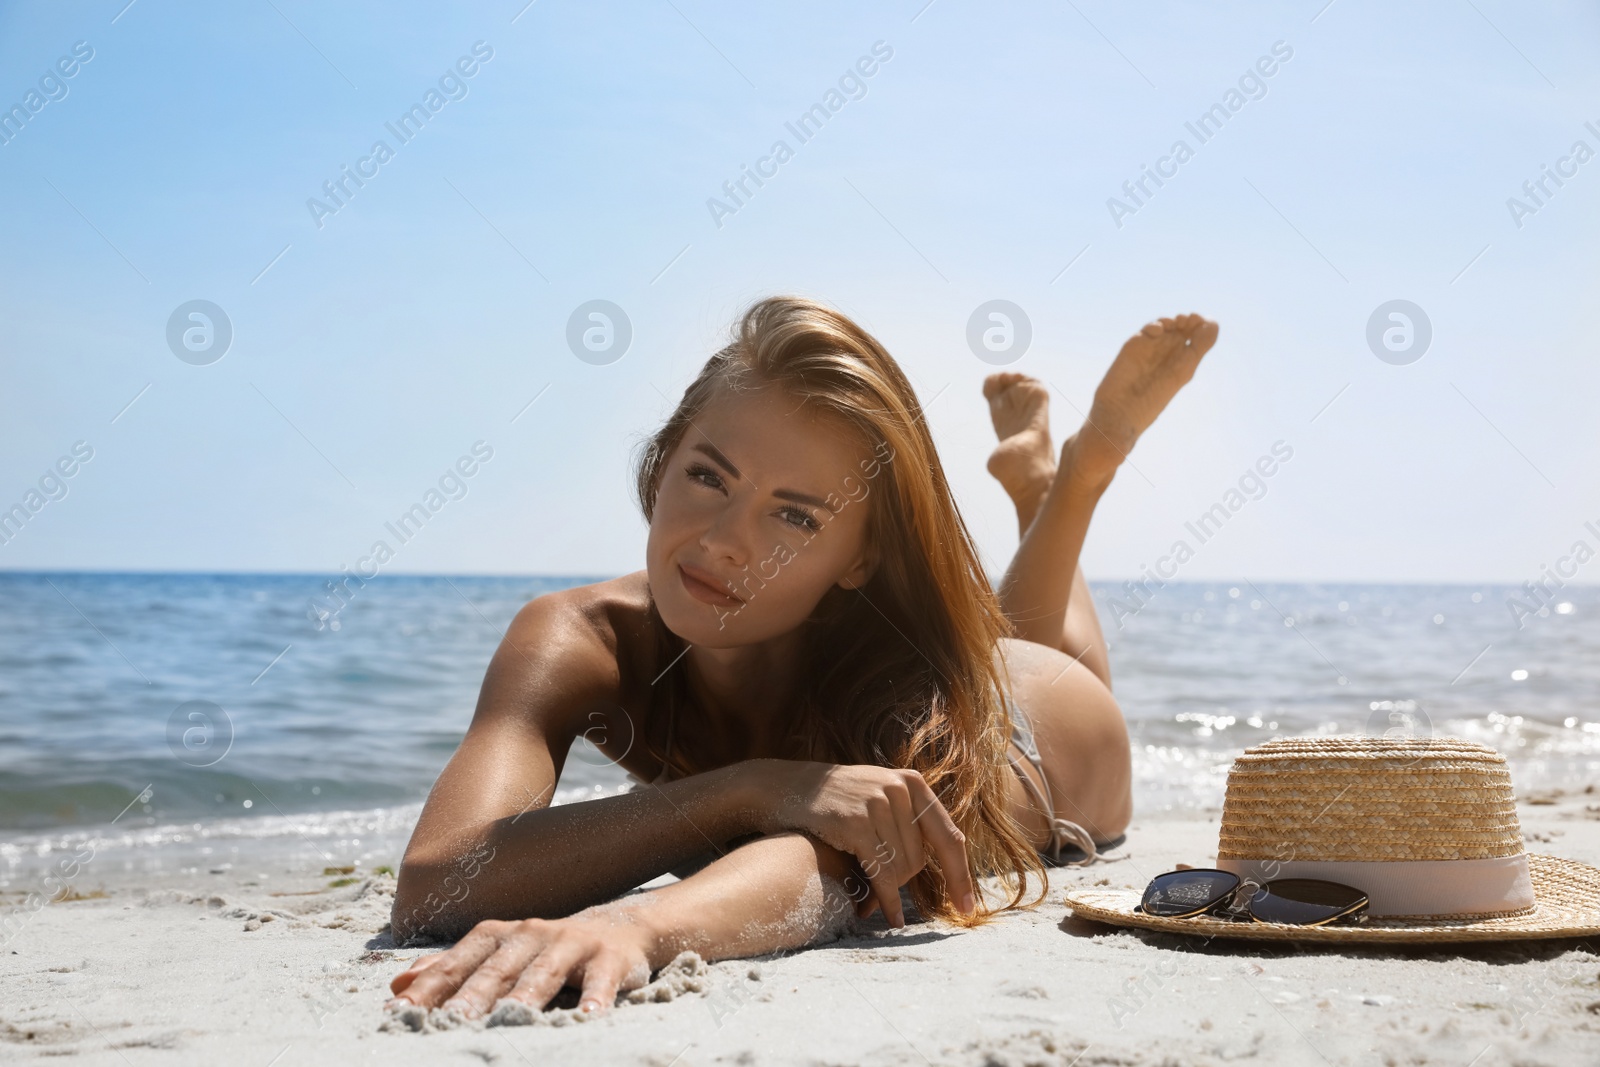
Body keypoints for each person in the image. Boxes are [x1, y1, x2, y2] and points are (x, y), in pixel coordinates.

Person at [386, 296, 1219, 1018]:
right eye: (710, 476)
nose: (720, 543)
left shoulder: (910, 704)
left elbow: (841, 862)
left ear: (859, 559)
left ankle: (1069, 480)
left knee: (1042, 651)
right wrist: (757, 787)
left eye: (796, 518)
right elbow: (435, 880)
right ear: (665, 454)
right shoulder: (578, 636)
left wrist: (637, 923)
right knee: (1001, 629)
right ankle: (1041, 484)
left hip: (1037, 722)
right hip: (955, 674)